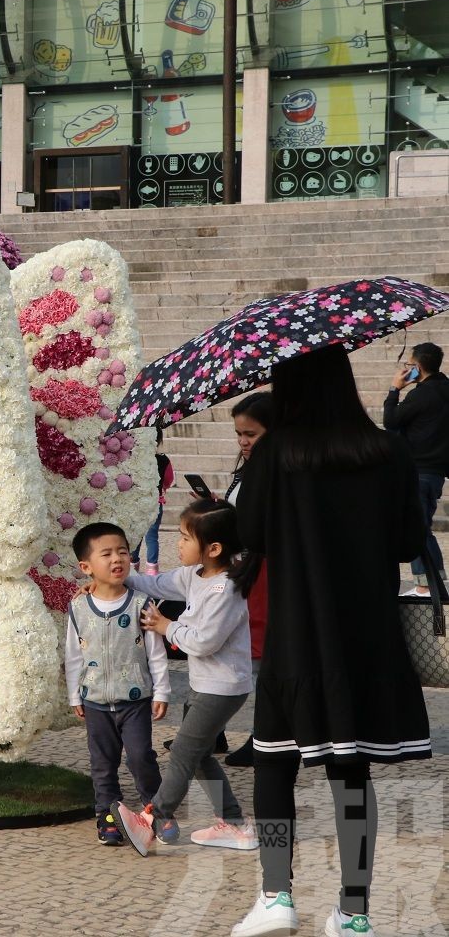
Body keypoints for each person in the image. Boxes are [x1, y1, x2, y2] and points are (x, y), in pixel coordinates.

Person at [231, 345, 431, 937]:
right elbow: (406, 541)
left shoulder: (274, 453)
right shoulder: (388, 450)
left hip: (296, 633)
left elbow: (253, 533)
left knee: (274, 765)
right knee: (351, 772)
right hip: (365, 638)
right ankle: (355, 910)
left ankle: (276, 895)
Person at [110, 500, 257, 856]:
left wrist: (166, 626)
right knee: (201, 755)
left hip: (222, 687)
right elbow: (156, 583)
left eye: (186, 537)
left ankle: (152, 818)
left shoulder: (225, 588)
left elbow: (206, 641)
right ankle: (235, 825)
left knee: (182, 755)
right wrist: (116, 576)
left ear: (214, 548)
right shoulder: (194, 575)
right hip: (204, 685)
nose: (179, 544)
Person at [65, 522, 169, 847]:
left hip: (135, 700)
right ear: (86, 567)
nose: (117, 559)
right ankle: (107, 816)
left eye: (122, 551)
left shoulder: (141, 603)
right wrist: (74, 694)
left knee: (141, 757)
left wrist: (162, 690)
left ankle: (157, 811)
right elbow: (73, 655)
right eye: (106, 554)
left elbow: (156, 653)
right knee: (102, 764)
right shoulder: (79, 607)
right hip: (95, 701)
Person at [223, 391, 273, 768]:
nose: (243, 441)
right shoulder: (248, 468)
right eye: (240, 433)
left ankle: (267, 736)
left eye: (251, 434)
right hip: (247, 571)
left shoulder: (277, 473)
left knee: (260, 659)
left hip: (266, 574)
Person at [384, 341, 449, 597]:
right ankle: (433, 584)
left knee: (418, 529)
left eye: (410, 365)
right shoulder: (445, 389)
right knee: (420, 527)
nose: (407, 369)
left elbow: (390, 421)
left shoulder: (421, 394)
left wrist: (394, 388)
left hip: (418, 471)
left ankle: (426, 586)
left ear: (419, 366)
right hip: (436, 472)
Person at [138, 437, 176, 576]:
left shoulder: (137, 457)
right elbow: (169, 479)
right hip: (156, 502)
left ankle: (133, 565)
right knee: (152, 537)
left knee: (136, 535)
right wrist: (163, 488)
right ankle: (152, 570)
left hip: (138, 502)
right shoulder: (163, 459)